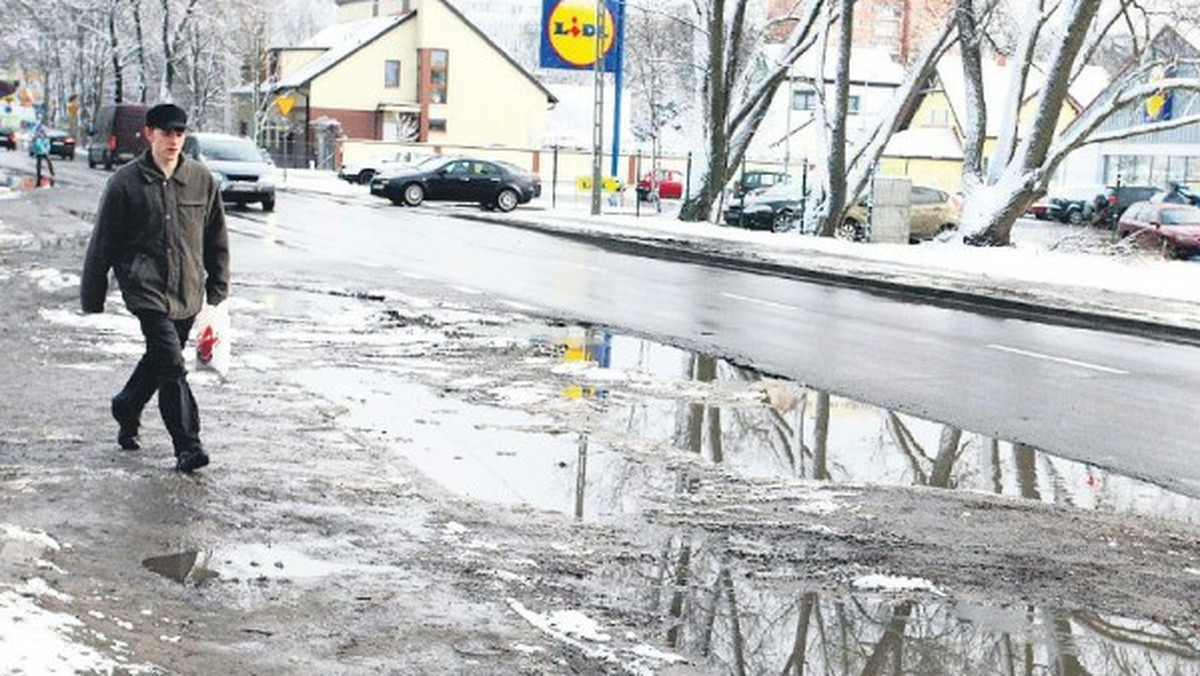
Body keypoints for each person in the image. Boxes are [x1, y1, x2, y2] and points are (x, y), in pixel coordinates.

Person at [80, 102, 229, 473]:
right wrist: (93, 293)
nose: (174, 140)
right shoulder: (126, 182)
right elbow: (104, 242)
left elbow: (216, 239)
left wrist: (218, 289)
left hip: (188, 291)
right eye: (166, 133)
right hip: (145, 288)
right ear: (149, 134)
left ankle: (127, 405)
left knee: (161, 359)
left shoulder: (201, 180)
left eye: (180, 133)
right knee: (173, 367)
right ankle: (188, 445)